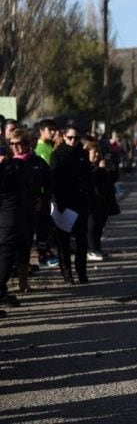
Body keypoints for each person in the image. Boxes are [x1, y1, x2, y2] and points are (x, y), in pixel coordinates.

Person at [51, 125, 95, 284]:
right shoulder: (58, 155)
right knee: (63, 242)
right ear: (64, 137)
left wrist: (90, 198)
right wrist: (57, 203)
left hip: (81, 203)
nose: (73, 141)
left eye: (76, 138)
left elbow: (89, 179)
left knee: (81, 240)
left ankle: (81, 272)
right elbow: (54, 181)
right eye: (70, 137)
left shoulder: (82, 154)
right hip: (64, 204)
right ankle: (67, 273)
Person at [10, 129, 56, 279]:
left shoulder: (37, 162)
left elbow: (49, 183)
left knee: (26, 241)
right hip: (10, 211)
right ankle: (12, 269)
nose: (15, 147)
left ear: (27, 144)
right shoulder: (7, 162)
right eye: (12, 143)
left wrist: (43, 199)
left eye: (19, 143)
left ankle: (23, 274)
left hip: (31, 209)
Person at [0, 136, 27, 314]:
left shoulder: (14, 168)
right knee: (5, 255)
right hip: (7, 220)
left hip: (10, 218)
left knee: (6, 255)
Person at [83, 140, 120, 262]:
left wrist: (112, 169)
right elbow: (90, 180)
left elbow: (113, 179)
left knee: (99, 227)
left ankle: (97, 249)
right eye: (94, 153)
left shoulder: (101, 164)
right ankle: (91, 250)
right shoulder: (84, 166)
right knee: (91, 226)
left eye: (98, 153)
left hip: (103, 201)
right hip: (90, 201)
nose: (97, 155)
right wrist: (100, 169)